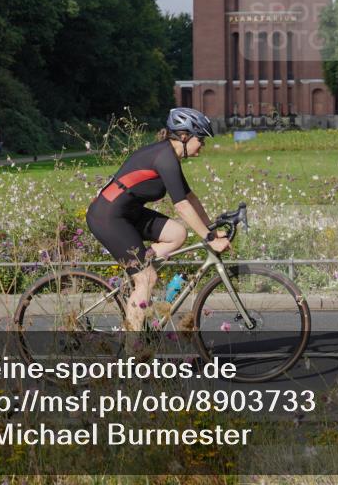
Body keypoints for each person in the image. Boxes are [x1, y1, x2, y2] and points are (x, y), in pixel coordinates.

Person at [86, 107, 230, 331]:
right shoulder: (165, 158)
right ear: (184, 136)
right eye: (200, 139)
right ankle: (131, 355)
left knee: (177, 233)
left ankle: (137, 282)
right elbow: (181, 206)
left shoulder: (169, 156)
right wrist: (210, 237)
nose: (203, 145)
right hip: (108, 217)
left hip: (127, 214)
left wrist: (211, 227)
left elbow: (189, 197)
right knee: (147, 278)